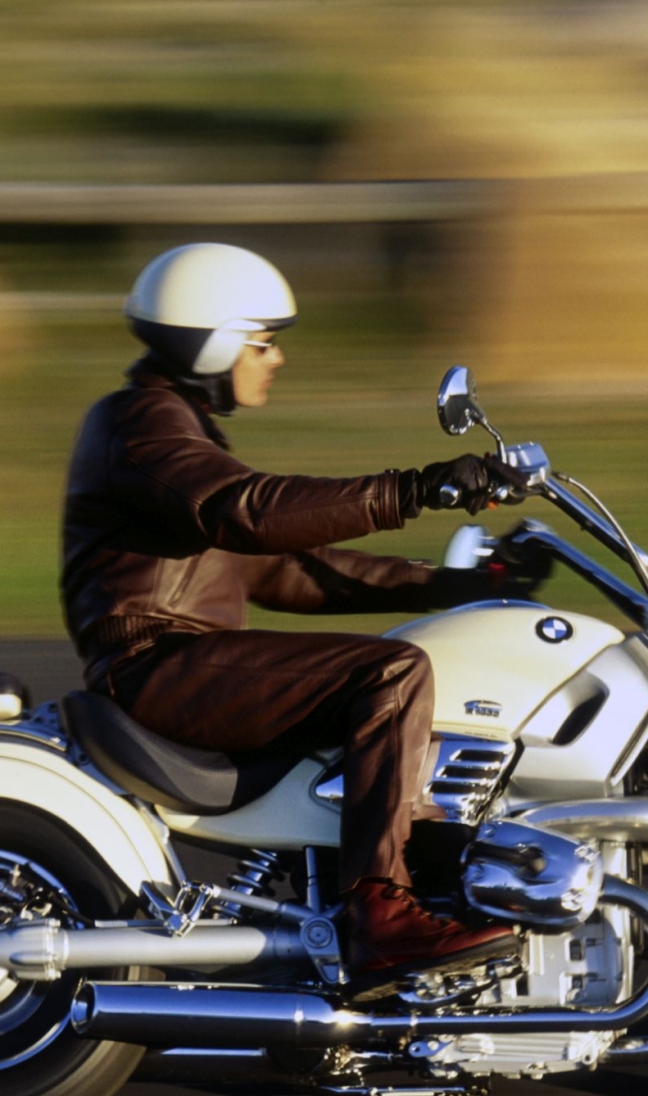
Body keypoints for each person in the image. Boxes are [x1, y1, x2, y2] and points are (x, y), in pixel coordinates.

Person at [61, 242, 539, 991]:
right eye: (262, 342)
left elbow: (282, 569)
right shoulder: (142, 426)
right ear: (210, 342)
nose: (275, 359)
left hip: (182, 658)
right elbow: (248, 513)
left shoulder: (171, 430)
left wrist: (447, 586)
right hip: (159, 661)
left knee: (408, 676)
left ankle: (434, 871)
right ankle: (379, 917)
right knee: (391, 669)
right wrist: (417, 490)